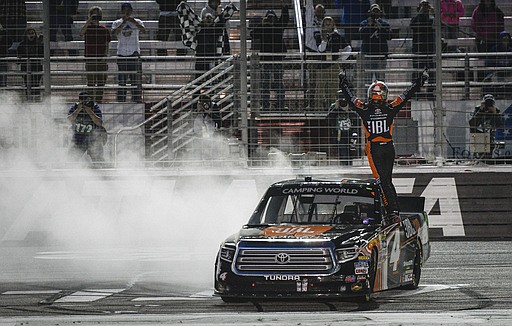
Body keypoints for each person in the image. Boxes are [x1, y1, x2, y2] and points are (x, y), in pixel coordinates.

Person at [337, 68, 429, 222]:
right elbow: (406, 95)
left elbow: (350, 97)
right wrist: (420, 81)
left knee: (382, 181)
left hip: (375, 149)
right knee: (386, 180)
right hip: (389, 148)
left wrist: (343, 81)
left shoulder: (364, 109)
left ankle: (392, 212)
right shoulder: (390, 108)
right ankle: (393, 210)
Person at [251, 4, 289, 110]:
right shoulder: (263, 28)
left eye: (272, 17)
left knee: (279, 83)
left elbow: (285, 19)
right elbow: (252, 34)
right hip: (266, 60)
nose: (270, 19)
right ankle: (265, 105)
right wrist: (262, 24)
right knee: (265, 84)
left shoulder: (278, 26)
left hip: (277, 59)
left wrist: (284, 7)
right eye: (269, 17)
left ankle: (280, 105)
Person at [314, 16, 351, 110]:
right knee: (319, 91)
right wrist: (324, 41)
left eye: (329, 23)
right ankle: (318, 111)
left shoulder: (337, 36)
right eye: (325, 23)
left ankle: (332, 110)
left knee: (333, 90)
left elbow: (348, 48)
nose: (327, 25)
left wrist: (341, 59)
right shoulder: (318, 35)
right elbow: (320, 50)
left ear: (333, 24)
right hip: (321, 67)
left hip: (334, 66)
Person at [112, 2, 146, 103]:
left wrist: (133, 22)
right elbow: (114, 33)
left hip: (134, 53)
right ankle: (121, 100)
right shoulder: (117, 22)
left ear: (131, 11)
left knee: (136, 79)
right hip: (122, 54)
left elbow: (143, 31)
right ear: (121, 11)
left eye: (128, 10)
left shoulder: (138, 21)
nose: (126, 12)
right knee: (122, 80)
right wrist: (123, 23)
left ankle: (136, 99)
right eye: (124, 10)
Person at [80, 6, 111, 103]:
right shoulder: (88, 28)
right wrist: (89, 20)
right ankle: (91, 102)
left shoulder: (103, 29)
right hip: (90, 59)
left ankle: (99, 101)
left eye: (98, 15)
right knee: (91, 83)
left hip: (101, 59)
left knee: (101, 82)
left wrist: (105, 57)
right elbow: (81, 33)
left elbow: (107, 44)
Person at [67, 91, 106, 164]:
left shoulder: (94, 107)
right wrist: (78, 110)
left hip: (93, 139)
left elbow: (99, 122)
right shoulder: (75, 107)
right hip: (78, 138)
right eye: (82, 100)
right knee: (71, 160)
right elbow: (69, 120)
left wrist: (89, 111)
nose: (84, 103)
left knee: (99, 162)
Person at [359, 3, 392, 83]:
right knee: (367, 79)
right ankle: (367, 95)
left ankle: (381, 95)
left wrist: (381, 28)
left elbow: (390, 36)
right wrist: (369, 25)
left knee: (380, 79)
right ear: (370, 12)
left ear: (380, 12)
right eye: (373, 11)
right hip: (368, 55)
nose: (375, 14)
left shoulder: (385, 24)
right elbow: (360, 35)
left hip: (380, 55)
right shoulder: (364, 23)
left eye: (377, 11)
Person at [410, 0, 435, 99]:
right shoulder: (416, 19)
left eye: (426, 7)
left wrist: (434, 13)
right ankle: (415, 92)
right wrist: (420, 13)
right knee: (417, 71)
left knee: (431, 72)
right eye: (422, 7)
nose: (424, 9)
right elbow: (412, 25)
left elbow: (440, 25)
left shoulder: (432, 19)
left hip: (430, 49)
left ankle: (431, 92)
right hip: (418, 49)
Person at [326, 94, 360, 165]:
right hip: (339, 135)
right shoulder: (334, 107)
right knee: (343, 153)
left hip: (350, 134)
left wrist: (348, 109)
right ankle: (344, 166)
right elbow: (328, 120)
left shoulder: (351, 106)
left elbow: (357, 119)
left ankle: (348, 166)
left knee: (351, 153)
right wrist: (336, 109)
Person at [304, 0, 325, 108]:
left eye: (322, 11)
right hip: (312, 52)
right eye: (318, 10)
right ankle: (310, 103)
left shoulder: (326, 23)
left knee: (322, 81)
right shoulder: (310, 21)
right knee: (312, 80)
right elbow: (308, 10)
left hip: (323, 54)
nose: (319, 13)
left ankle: (323, 103)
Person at [17, 28, 43, 100]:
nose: (31, 35)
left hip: (36, 67)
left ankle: (37, 99)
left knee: (36, 85)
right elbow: (18, 58)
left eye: (33, 33)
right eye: (29, 33)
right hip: (25, 68)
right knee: (27, 85)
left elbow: (43, 55)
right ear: (26, 35)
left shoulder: (39, 44)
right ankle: (29, 99)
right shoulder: (22, 45)